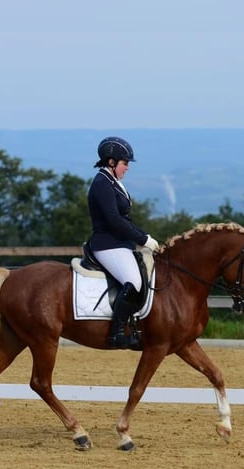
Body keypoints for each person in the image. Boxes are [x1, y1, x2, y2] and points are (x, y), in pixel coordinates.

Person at [87, 136, 160, 349]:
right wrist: (143, 239)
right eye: (124, 163)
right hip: (107, 244)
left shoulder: (113, 182)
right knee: (134, 283)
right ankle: (117, 334)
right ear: (111, 162)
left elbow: (125, 220)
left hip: (121, 243)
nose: (127, 167)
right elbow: (114, 220)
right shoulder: (101, 183)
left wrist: (144, 236)